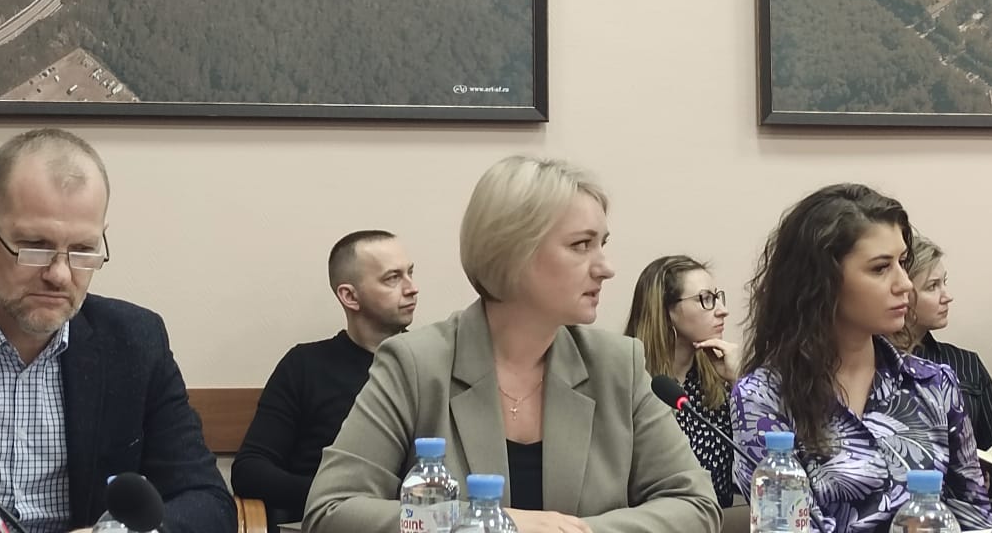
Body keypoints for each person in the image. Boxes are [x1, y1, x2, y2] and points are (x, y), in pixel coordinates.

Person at [304, 156, 721, 533]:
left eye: (602, 244)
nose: (606, 268)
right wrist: (490, 524)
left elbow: (695, 505)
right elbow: (331, 511)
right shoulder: (416, 365)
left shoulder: (617, 364)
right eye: (581, 245)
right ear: (513, 251)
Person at [0, 128, 234, 533]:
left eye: (82, 250)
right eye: (36, 246)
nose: (59, 275)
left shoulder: (136, 343)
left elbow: (208, 501)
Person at [731, 183, 992, 532]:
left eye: (903, 263)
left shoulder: (933, 384)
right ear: (821, 282)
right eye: (880, 268)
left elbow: (975, 516)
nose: (905, 284)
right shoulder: (763, 397)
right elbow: (785, 525)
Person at [231, 229, 418, 527]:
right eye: (392, 278)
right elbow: (250, 471)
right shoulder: (305, 366)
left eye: (410, 273)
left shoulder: (430, 361)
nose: (412, 288)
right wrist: (335, 501)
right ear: (350, 296)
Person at [895, 232, 992, 498]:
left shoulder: (966, 364)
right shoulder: (871, 365)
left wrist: (990, 479)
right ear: (901, 294)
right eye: (932, 286)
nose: (947, 296)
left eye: (944, 283)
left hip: (967, 505)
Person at [625, 255, 739, 507]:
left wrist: (739, 382)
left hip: (722, 520)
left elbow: (759, 466)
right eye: (706, 299)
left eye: (717, 297)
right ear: (666, 311)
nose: (722, 310)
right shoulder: (631, 382)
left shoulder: (717, 381)